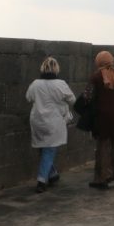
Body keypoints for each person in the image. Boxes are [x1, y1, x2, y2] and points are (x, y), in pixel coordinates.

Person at [25, 57, 76, 193]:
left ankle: (52, 174)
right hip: (53, 121)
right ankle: (41, 181)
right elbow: (72, 100)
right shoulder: (60, 84)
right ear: (56, 69)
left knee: (43, 148)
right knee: (49, 150)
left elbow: (28, 97)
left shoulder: (35, 84)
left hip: (37, 120)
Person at [88, 51, 114, 189]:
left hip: (104, 117)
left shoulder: (96, 77)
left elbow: (88, 97)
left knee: (103, 147)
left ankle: (103, 178)